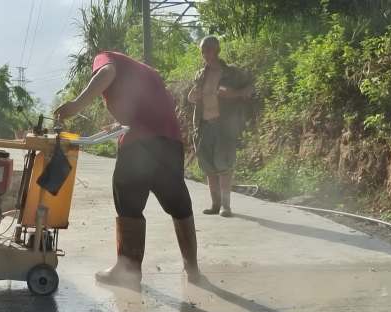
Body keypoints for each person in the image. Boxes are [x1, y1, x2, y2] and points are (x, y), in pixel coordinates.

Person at [55, 51, 198, 287]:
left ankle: (128, 270)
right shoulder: (148, 73)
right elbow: (155, 107)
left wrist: (75, 105)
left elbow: (107, 72)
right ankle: (192, 269)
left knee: (128, 200)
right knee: (178, 201)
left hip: (139, 145)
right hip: (170, 142)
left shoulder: (105, 58)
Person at [188, 36, 254, 217]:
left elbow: (251, 89)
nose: (205, 54)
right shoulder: (200, 74)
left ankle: (226, 206)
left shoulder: (232, 73)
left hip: (224, 125)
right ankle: (215, 205)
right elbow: (192, 97)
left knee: (224, 165)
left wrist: (234, 94)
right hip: (203, 126)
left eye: (208, 50)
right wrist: (193, 97)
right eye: (202, 51)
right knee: (209, 167)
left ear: (217, 50)